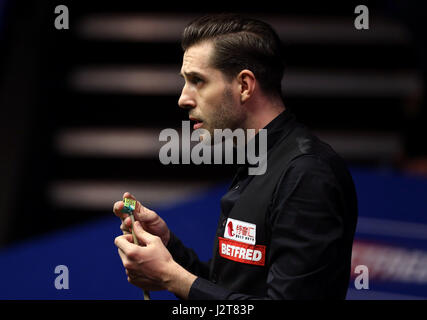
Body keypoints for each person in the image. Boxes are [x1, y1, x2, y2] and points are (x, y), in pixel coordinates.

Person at [113, 14, 358, 300]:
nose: (183, 98)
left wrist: (172, 277)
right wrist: (169, 250)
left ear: (244, 86)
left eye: (197, 81)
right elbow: (233, 290)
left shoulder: (307, 174)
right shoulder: (259, 158)